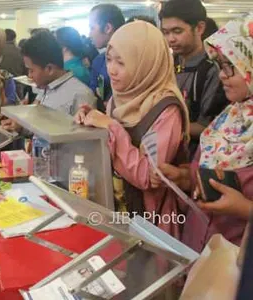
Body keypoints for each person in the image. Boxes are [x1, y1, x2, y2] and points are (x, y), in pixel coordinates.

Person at [75, 21, 190, 239]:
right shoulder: (120, 98)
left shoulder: (166, 110)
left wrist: (110, 126)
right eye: (109, 59)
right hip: (118, 207)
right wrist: (90, 118)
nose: (111, 69)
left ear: (146, 64)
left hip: (152, 219)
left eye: (121, 62)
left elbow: (148, 176)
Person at [151, 15, 253, 252]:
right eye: (220, 65)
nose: (222, 75)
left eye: (232, 67)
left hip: (238, 257)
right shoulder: (231, 115)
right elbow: (206, 172)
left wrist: (244, 209)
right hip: (201, 244)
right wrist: (182, 177)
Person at [160, 0, 229, 157]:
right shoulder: (168, 64)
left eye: (177, 31)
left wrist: (165, 127)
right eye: (165, 32)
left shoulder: (213, 69)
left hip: (195, 160)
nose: (170, 39)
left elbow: (208, 127)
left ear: (199, 28)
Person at [2, 31, 97, 133]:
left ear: (49, 69)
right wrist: (20, 126)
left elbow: (84, 140)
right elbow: (38, 125)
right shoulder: (45, 88)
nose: (29, 75)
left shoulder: (81, 95)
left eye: (31, 70)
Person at [88, 4, 125, 110]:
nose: (89, 34)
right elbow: (93, 94)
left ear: (107, 28)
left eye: (92, 28)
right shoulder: (98, 61)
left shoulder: (136, 60)